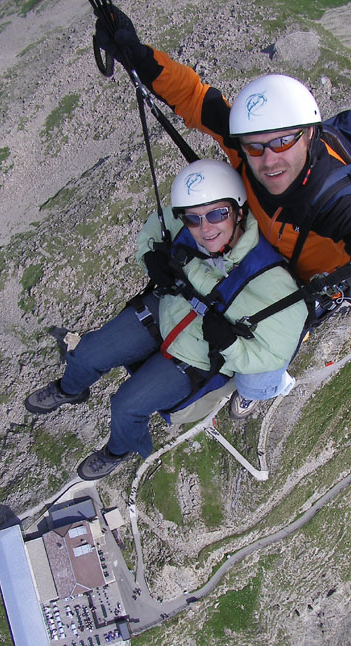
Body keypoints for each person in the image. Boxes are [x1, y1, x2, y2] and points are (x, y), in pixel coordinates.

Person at [93, 6, 351, 406]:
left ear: (309, 135)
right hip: (251, 256)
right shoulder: (248, 143)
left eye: (284, 142)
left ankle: (266, 388)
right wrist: (141, 58)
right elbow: (196, 98)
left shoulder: (345, 207)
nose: (269, 160)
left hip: (297, 285)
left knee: (254, 380)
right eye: (256, 147)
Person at [24, 159, 307, 480]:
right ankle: (69, 389)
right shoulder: (185, 227)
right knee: (87, 353)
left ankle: (117, 450)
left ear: (239, 211)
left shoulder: (272, 281)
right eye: (194, 219)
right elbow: (152, 231)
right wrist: (151, 257)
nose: (205, 228)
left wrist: (230, 346)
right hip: (166, 311)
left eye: (217, 214)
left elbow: (274, 355)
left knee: (126, 407)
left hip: (199, 353)